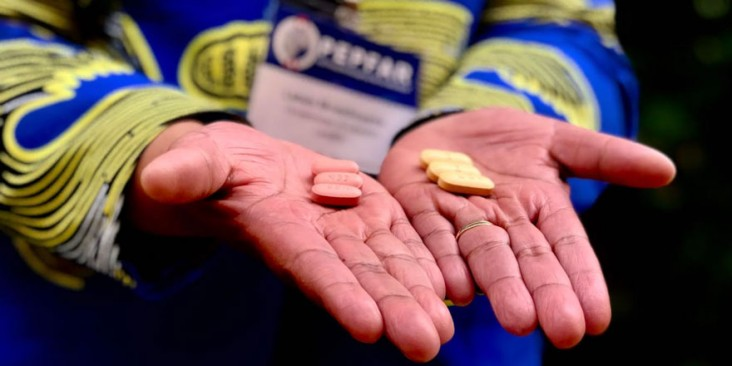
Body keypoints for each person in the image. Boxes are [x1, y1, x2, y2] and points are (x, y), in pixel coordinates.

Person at [0, 1, 676, 365]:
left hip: (448, 299)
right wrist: (145, 140)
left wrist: (490, 107)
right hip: (106, 325)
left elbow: (561, 22)